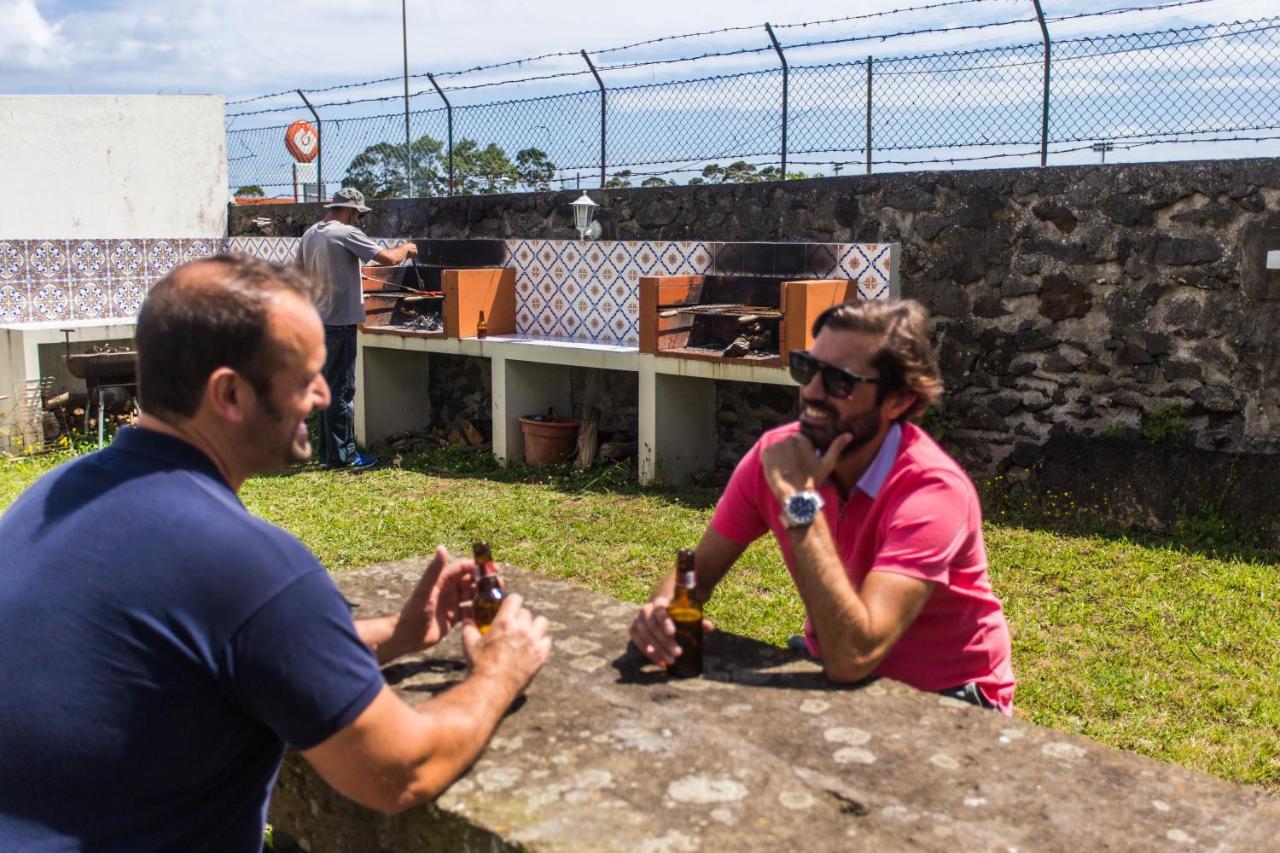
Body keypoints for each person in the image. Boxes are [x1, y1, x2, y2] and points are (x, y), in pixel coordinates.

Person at [0, 255, 551, 849]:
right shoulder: (248, 565)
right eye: (304, 376)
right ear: (230, 394)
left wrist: (395, 633)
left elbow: (193, 655)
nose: (320, 395)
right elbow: (399, 770)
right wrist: (499, 672)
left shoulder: (49, 496)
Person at [630, 298, 1016, 713]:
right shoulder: (777, 455)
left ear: (898, 402)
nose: (811, 391)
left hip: (949, 694)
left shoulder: (931, 490)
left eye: (838, 382)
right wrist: (665, 610)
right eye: (807, 368)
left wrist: (799, 501)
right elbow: (696, 574)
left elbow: (855, 657)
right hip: (834, 661)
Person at [297, 186, 418, 470]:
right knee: (341, 390)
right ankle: (345, 458)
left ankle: (329, 455)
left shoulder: (310, 234)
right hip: (339, 322)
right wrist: (407, 248)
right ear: (350, 210)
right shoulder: (345, 232)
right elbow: (389, 259)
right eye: (359, 215)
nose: (359, 220)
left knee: (328, 388)